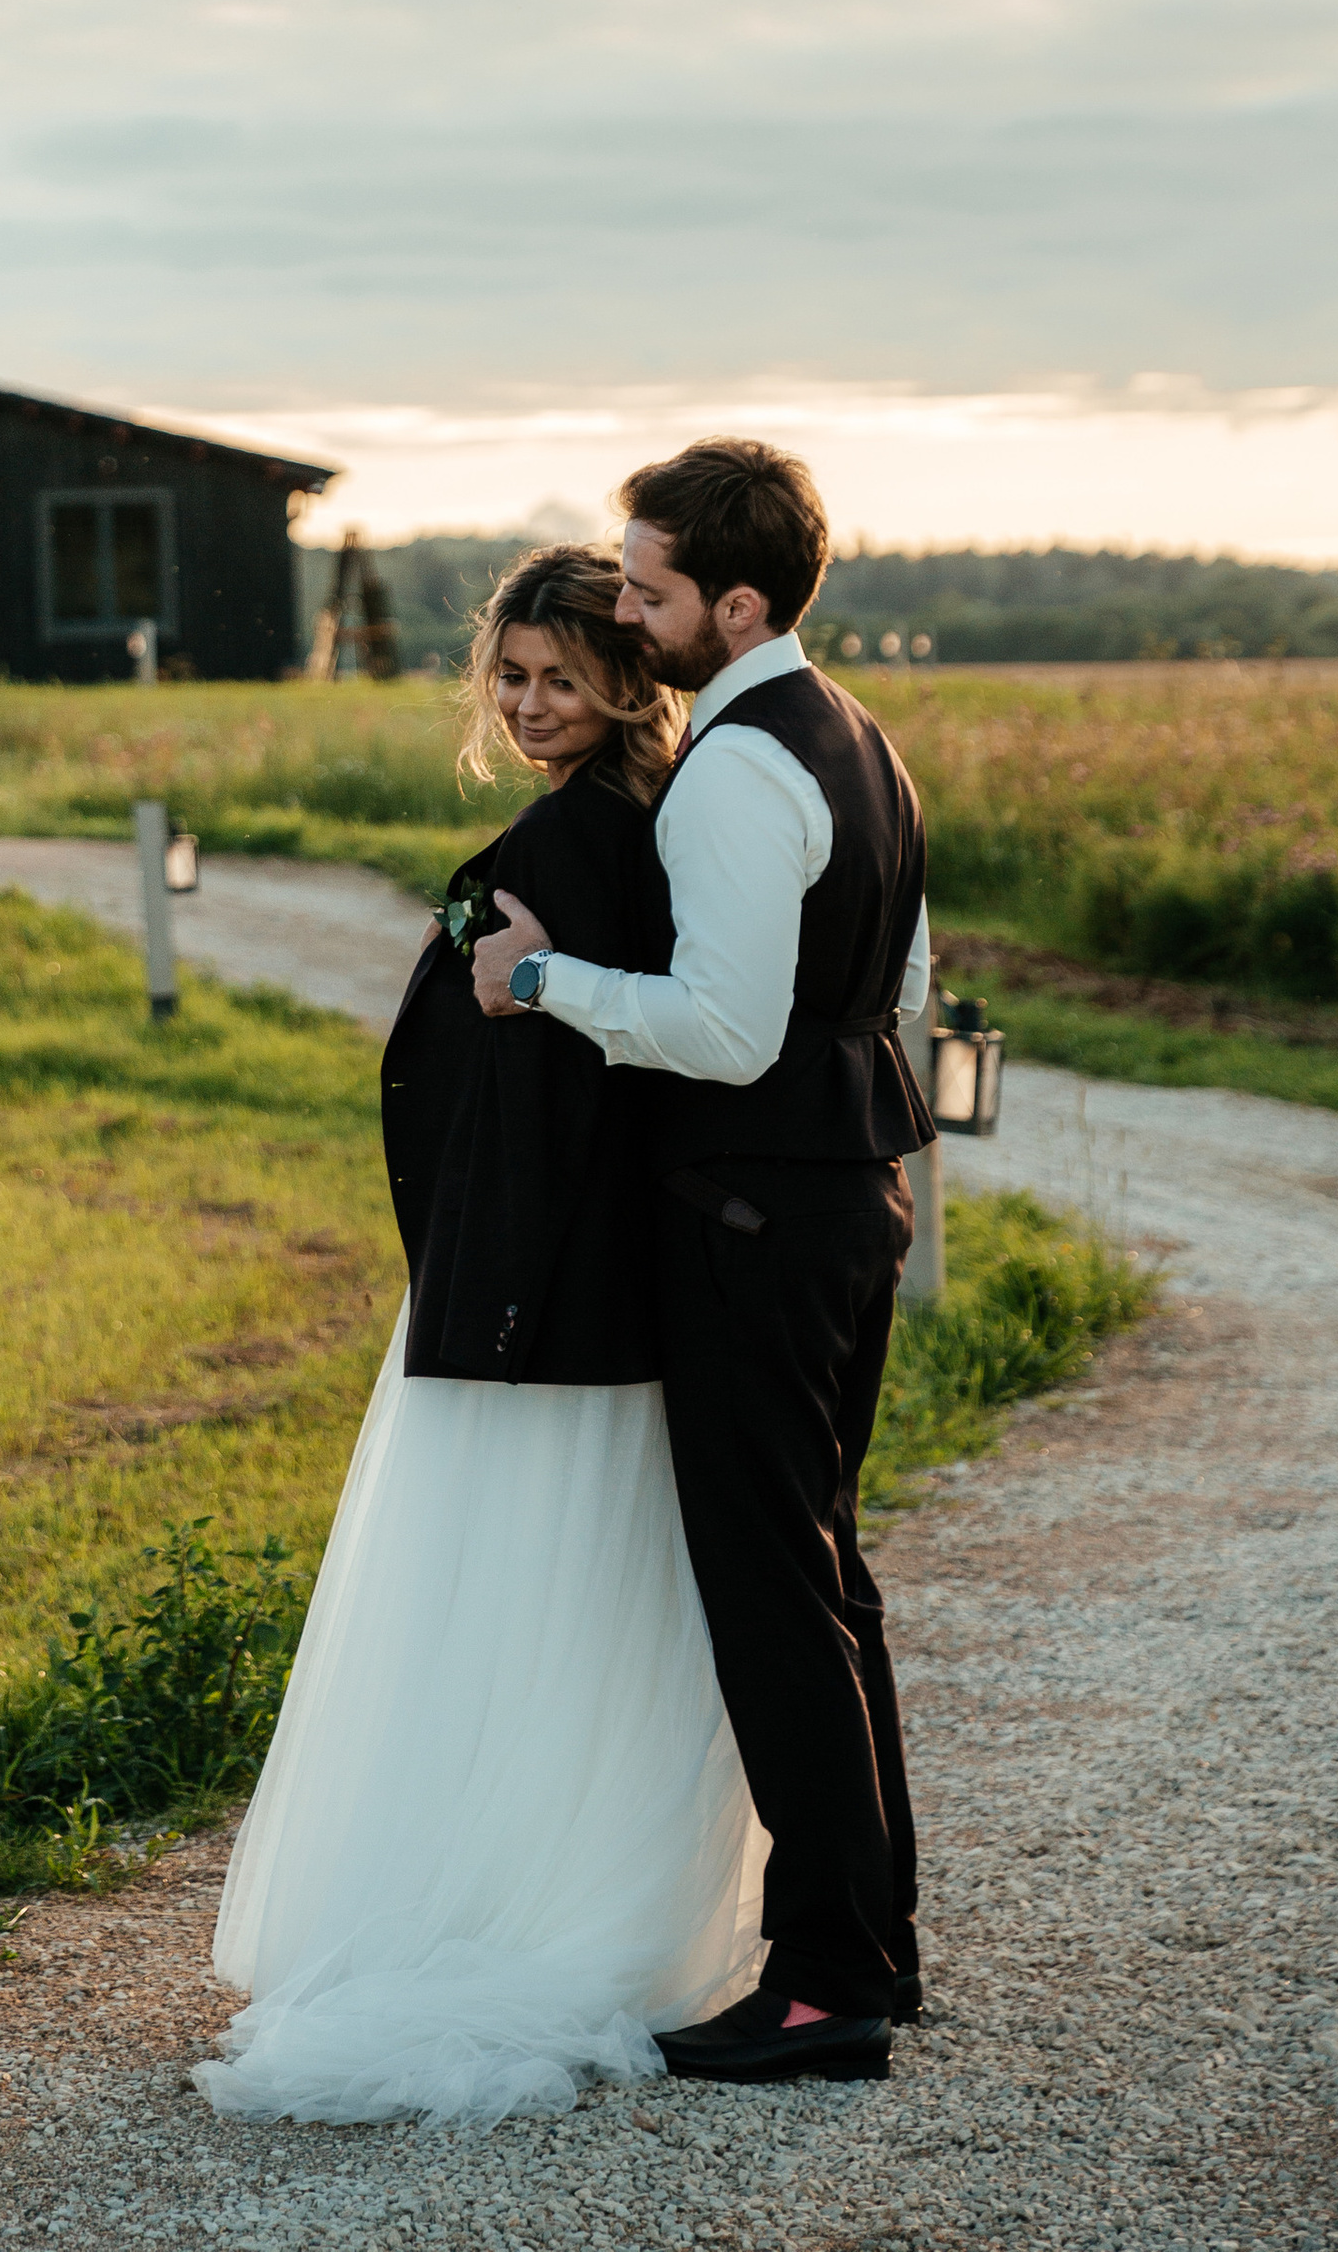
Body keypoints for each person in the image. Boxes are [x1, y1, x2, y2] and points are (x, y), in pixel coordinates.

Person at [194, 547, 766, 2129]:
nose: (528, 706)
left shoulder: (591, 842)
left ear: (631, 684)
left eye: (561, 682)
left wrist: (490, 1293)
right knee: (543, 1596)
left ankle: (504, 1911)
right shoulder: (610, 825)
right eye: (509, 678)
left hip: (537, 1295)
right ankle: (543, 1886)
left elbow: (565, 1085)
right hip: (528, 1281)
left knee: (516, 1583)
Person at [475, 440, 933, 2090]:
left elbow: (728, 1035)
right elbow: (895, 980)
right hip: (847, 1197)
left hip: (754, 1218)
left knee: (773, 1600)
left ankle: (823, 1988)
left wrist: (546, 987)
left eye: (650, 588)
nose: (627, 606)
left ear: (733, 605)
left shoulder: (743, 765)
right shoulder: (861, 740)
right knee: (828, 1582)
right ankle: (872, 1948)